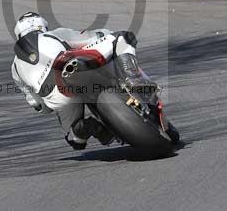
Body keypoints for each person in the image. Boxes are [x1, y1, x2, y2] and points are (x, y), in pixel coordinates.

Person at [10, 12, 157, 150]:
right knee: (123, 38)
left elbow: (38, 105)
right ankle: (133, 79)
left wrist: (52, 105)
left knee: (75, 140)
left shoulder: (15, 69)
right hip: (71, 67)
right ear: (42, 26)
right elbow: (95, 36)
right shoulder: (53, 34)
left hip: (56, 95)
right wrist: (105, 34)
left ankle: (89, 127)